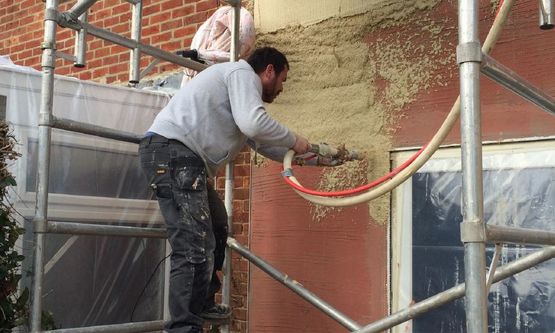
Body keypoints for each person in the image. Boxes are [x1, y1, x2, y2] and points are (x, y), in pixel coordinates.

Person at [139, 47, 313, 333]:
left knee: (218, 226)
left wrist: (312, 156)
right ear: (268, 70)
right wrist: (295, 139)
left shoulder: (241, 93)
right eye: (282, 79)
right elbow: (255, 124)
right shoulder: (241, 74)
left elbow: (263, 142)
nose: (281, 87)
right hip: (171, 153)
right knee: (193, 244)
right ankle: (184, 328)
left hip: (182, 159)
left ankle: (203, 300)